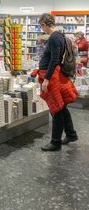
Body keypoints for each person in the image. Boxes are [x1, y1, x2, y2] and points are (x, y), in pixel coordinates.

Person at [32, 14, 78, 151]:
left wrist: (46, 79)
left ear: (45, 24)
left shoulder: (54, 38)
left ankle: (55, 142)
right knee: (61, 107)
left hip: (51, 77)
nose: (42, 29)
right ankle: (71, 134)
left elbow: (54, 60)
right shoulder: (59, 36)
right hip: (54, 75)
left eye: (41, 26)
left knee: (56, 109)